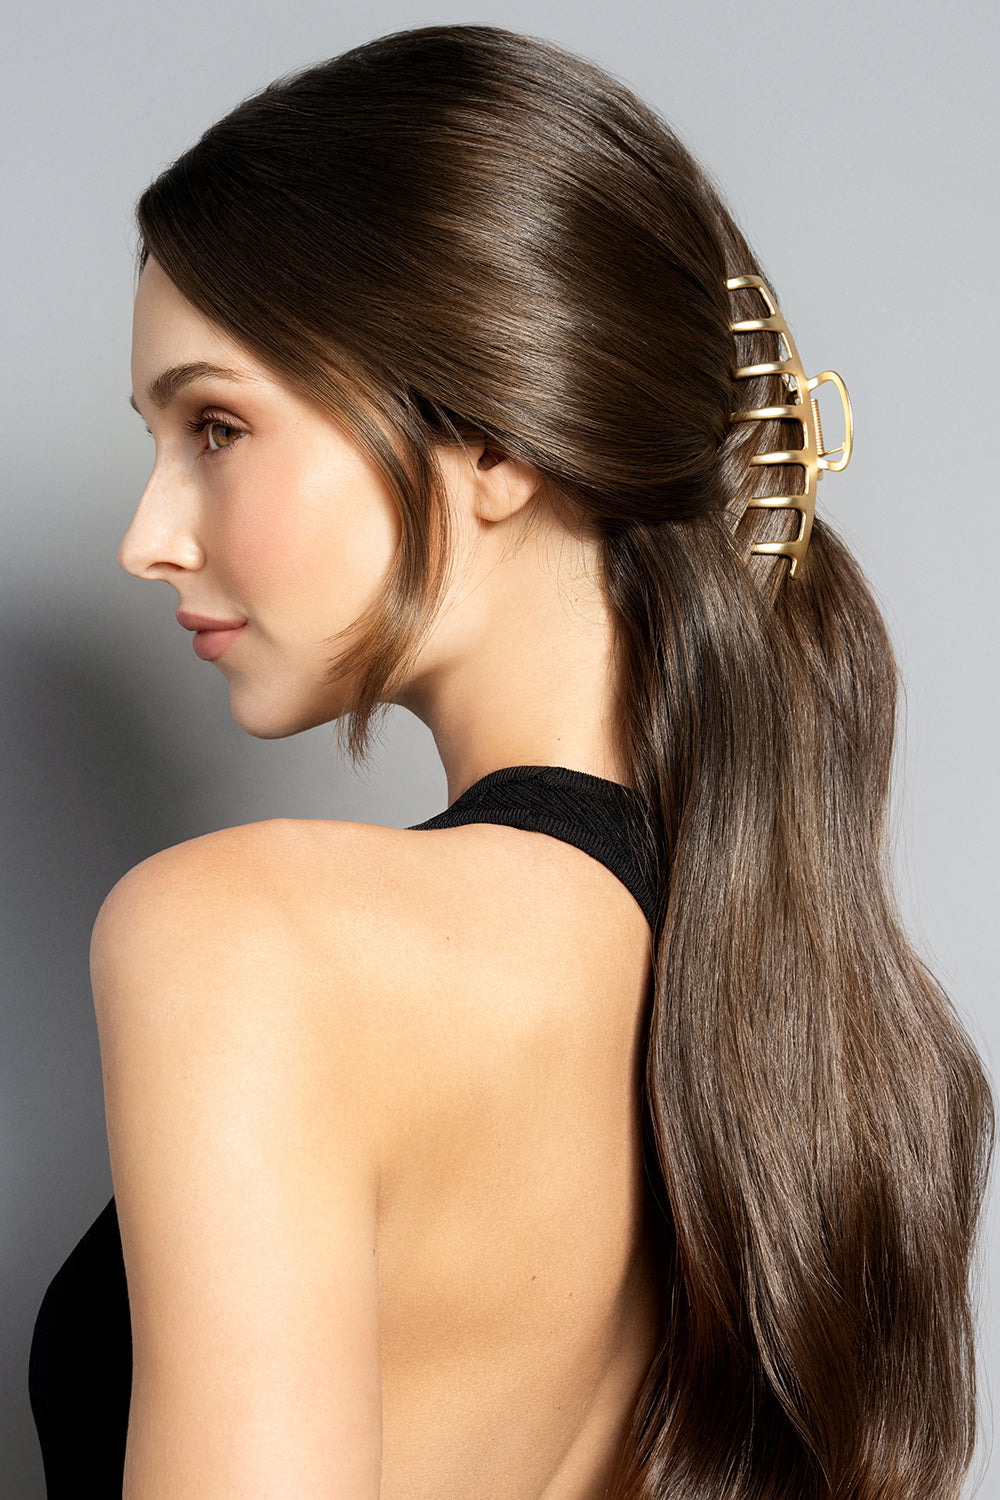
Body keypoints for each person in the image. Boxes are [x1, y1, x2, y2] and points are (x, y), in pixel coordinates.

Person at [29, 23, 992, 1500]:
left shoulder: (247, 943)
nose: (149, 534)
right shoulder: (789, 1008)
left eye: (216, 425)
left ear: (492, 437)